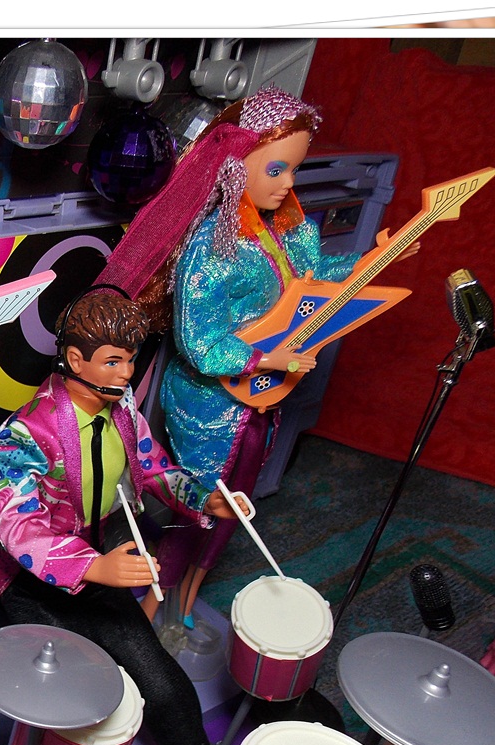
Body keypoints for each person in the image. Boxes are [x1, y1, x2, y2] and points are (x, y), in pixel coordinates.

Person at [0, 286, 246, 745]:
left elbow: (154, 472)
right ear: (73, 359)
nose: (127, 375)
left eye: (131, 360)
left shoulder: (122, 412)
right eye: (112, 361)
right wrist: (92, 566)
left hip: (98, 571)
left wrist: (204, 499)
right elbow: (18, 529)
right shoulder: (23, 434)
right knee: (100, 721)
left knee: (165, 685)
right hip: (31, 587)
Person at [97, 87, 415, 626]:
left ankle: (187, 601)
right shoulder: (212, 246)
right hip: (209, 404)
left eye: (293, 169)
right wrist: (267, 359)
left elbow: (313, 279)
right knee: (201, 506)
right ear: (234, 166)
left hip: (264, 398)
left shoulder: (287, 227)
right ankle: (151, 610)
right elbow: (200, 343)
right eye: (275, 169)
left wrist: (375, 257)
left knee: (238, 505)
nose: (288, 183)